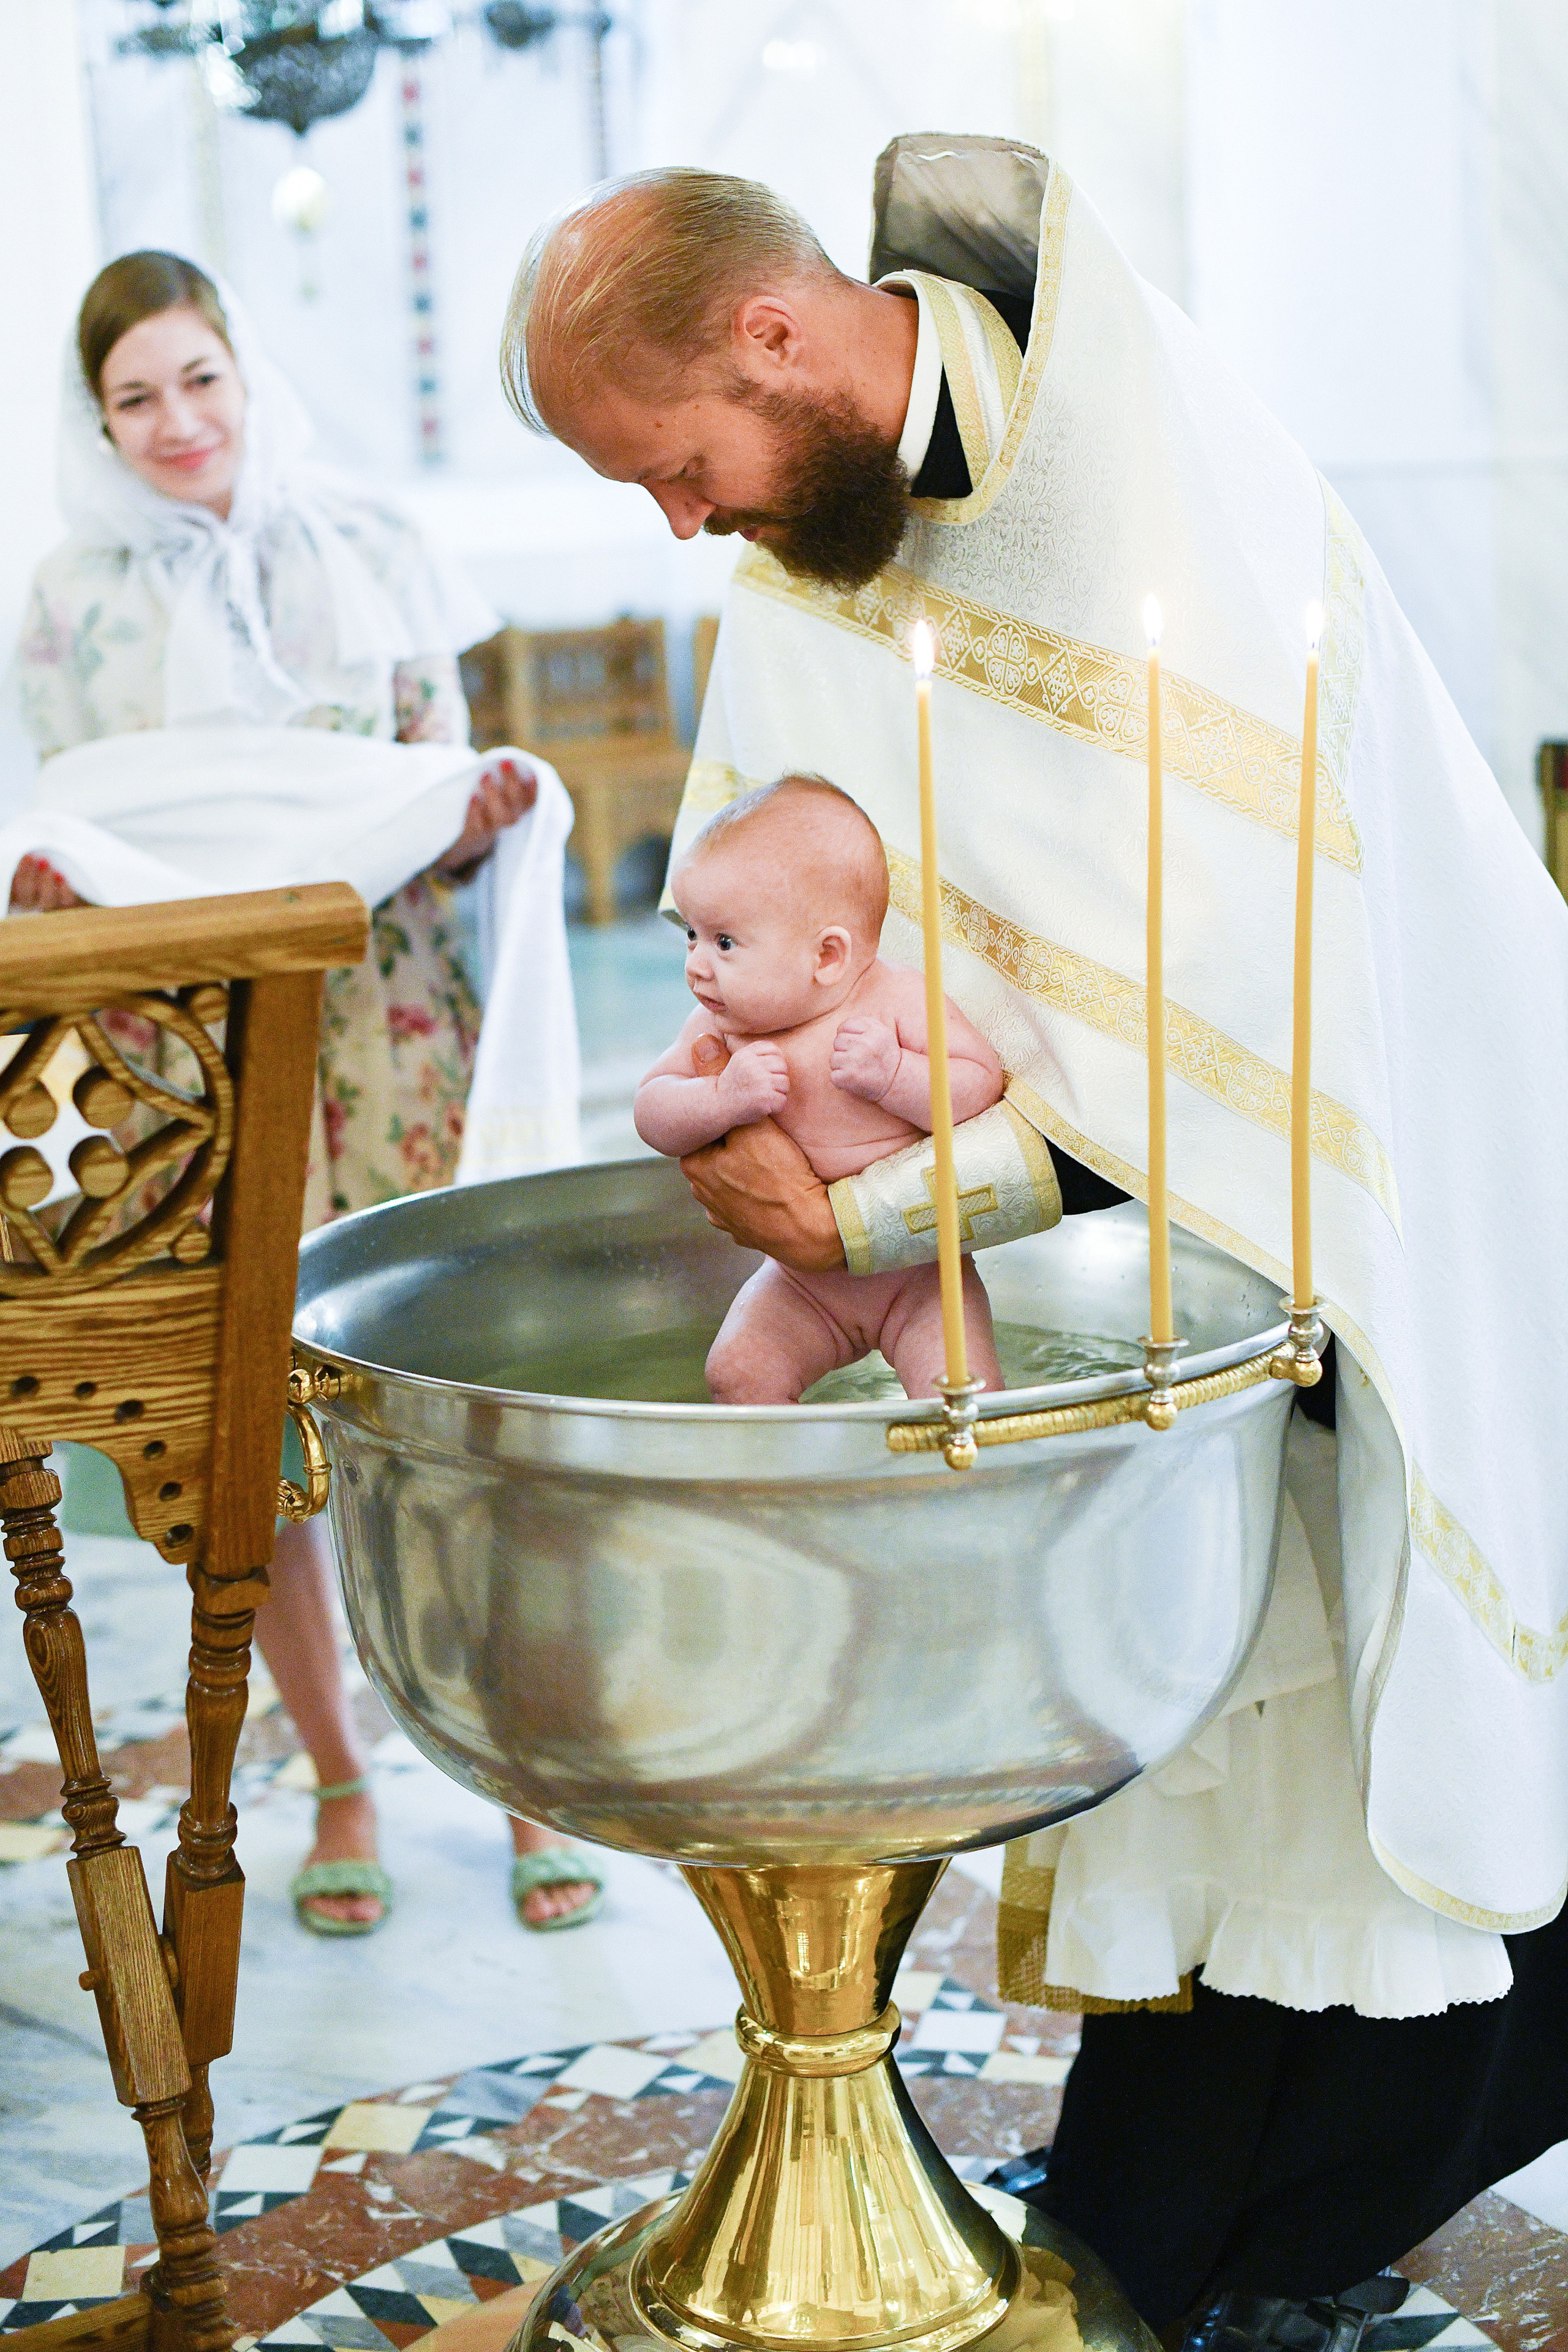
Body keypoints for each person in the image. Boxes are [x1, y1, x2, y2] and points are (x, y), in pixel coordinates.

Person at [494, 147, 1568, 2340]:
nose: (677, 529)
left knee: (1350, 1727)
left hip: (1364, 1214)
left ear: (773, 338)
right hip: (1098, 1268)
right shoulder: (821, 548)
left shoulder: (1143, 482)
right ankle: (1166, 2213)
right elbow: (790, 918)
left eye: (672, 467)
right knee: (1193, 1714)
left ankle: (1223, 2217)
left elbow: (1244, 997)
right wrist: (768, 1151)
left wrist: (882, 1201)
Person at [11, 251, 601, 1937]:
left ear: (249, 373)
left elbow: (435, 771)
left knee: (437, 1404)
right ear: (98, 421)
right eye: (137, 397)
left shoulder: (377, 546)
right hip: (193, 1055)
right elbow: (93, 809)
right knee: (254, 1431)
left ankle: (513, 1776)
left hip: (396, 1017)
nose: (177, 422)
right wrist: (68, 883)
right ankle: (337, 1766)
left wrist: (477, 810)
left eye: (201, 378)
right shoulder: (70, 601)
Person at [635, 773, 1004, 1402]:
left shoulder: (897, 1001)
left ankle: (958, 1494)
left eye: (724, 942)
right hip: (801, 1283)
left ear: (827, 957)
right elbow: (651, 1110)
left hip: (920, 1275)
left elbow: (977, 1087)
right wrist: (719, 1099)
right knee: (737, 1373)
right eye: (692, 935)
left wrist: (896, 1077)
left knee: (963, 1395)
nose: (696, 963)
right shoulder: (721, 1031)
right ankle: (783, 1493)